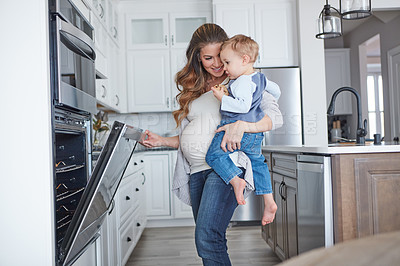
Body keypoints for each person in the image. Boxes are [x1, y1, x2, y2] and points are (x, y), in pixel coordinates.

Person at [141, 23, 282, 266]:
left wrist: (243, 126)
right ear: (197, 57)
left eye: (221, 56)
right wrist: (161, 140)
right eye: (209, 58)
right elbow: (190, 135)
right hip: (196, 172)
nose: (217, 64)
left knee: (207, 237)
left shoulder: (242, 81)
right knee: (209, 238)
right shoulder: (193, 90)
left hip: (224, 167)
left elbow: (275, 119)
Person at [205, 35, 278, 226]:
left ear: (244, 59)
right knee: (259, 164)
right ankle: (268, 201)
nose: (225, 67)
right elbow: (276, 91)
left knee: (213, 156)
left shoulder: (242, 81)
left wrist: (222, 97)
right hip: (254, 135)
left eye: (227, 62)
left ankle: (236, 180)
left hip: (237, 130)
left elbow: (243, 106)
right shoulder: (259, 77)